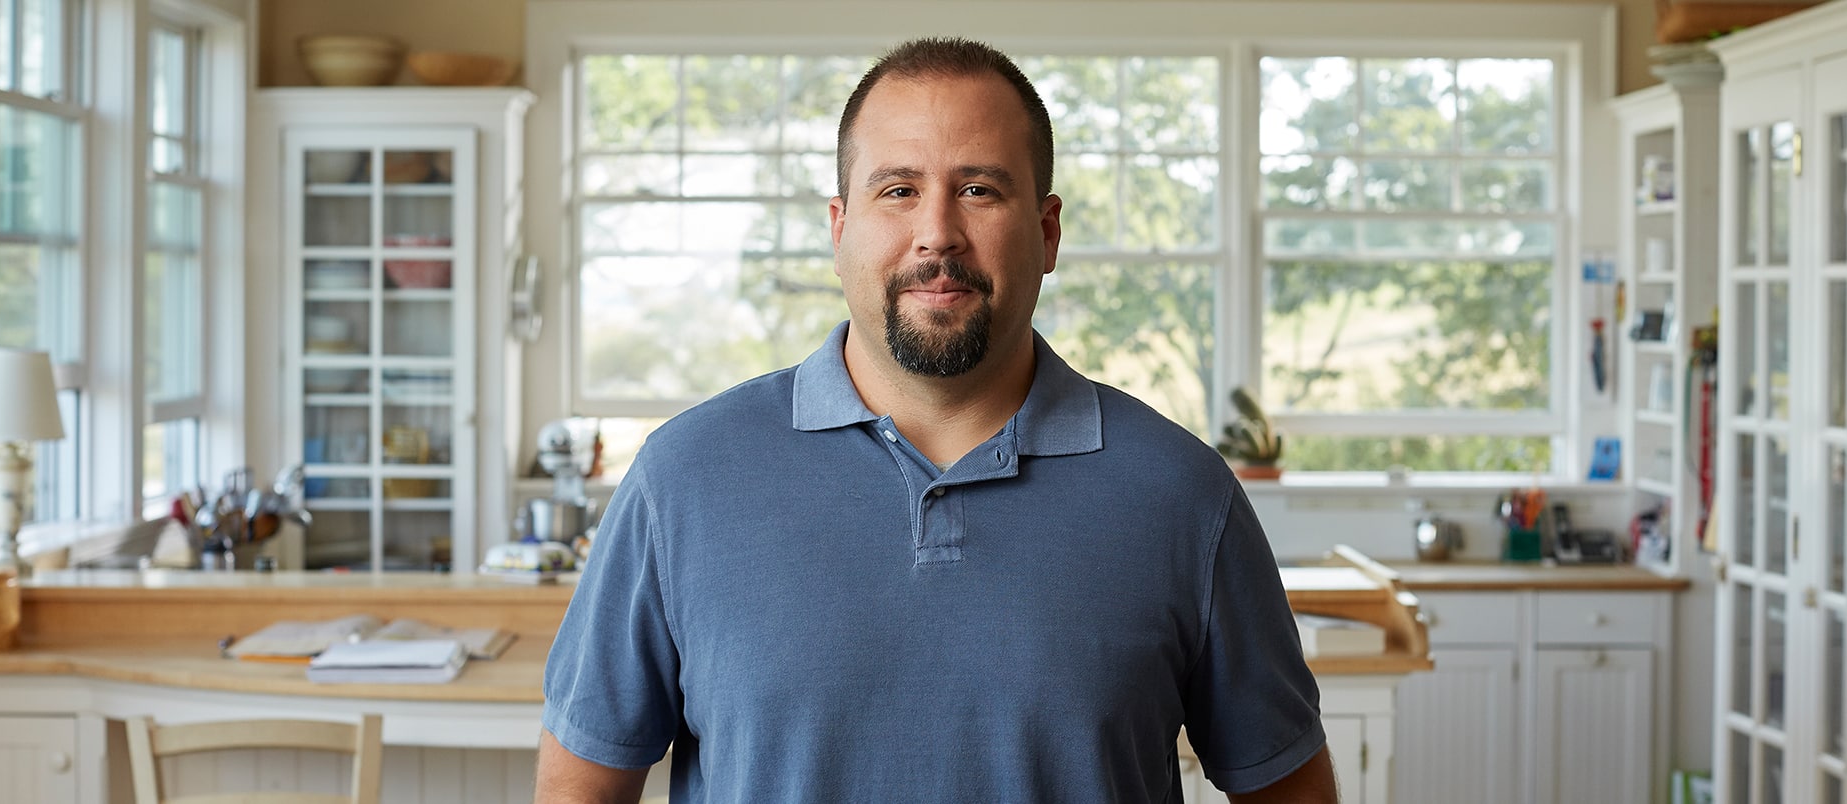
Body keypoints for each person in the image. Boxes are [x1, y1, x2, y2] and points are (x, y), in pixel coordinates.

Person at [537, 37, 1336, 803]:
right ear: (840, 228)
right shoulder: (682, 480)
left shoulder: (1184, 496)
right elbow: (579, 789)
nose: (938, 235)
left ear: (1049, 232)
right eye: (898, 190)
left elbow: (1289, 792)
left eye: (980, 189)